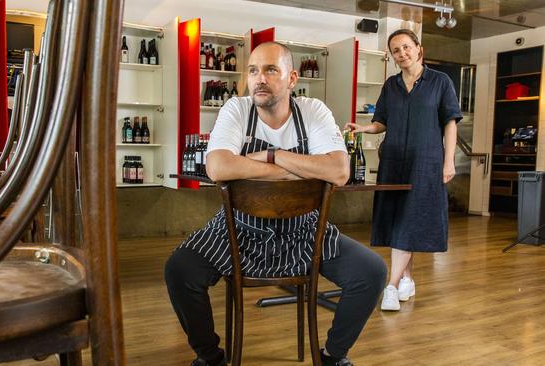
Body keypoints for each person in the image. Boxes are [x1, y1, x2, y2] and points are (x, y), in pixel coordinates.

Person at [165, 42, 387, 366]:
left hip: (305, 232)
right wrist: (299, 168)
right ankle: (210, 356)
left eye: (271, 70)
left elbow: (339, 171)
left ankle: (333, 356)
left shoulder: (313, 111)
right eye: (253, 70)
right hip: (237, 230)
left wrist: (271, 155)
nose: (260, 79)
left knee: (372, 272)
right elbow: (217, 167)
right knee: (179, 270)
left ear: (292, 78)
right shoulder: (236, 110)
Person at [346, 29, 462, 311]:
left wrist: (449, 161)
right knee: (398, 222)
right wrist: (365, 128)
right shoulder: (391, 85)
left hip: (426, 163)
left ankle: (392, 285)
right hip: (394, 163)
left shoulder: (440, 82)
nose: (402, 54)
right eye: (396, 50)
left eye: (407, 47)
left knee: (410, 221)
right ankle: (407, 279)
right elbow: (381, 122)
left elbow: (450, 123)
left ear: (418, 48)